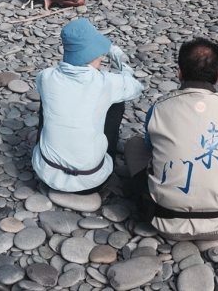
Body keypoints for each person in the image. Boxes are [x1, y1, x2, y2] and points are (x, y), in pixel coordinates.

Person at [124, 38, 218, 241]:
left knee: (133, 144)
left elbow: (150, 147)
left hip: (163, 220)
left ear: (179, 72)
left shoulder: (159, 108)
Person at [32, 18, 143, 194]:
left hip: (46, 173)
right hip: (92, 180)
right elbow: (136, 87)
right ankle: (111, 146)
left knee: (48, 100)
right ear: (97, 53)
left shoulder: (46, 77)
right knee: (117, 100)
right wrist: (117, 56)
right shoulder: (106, 82)